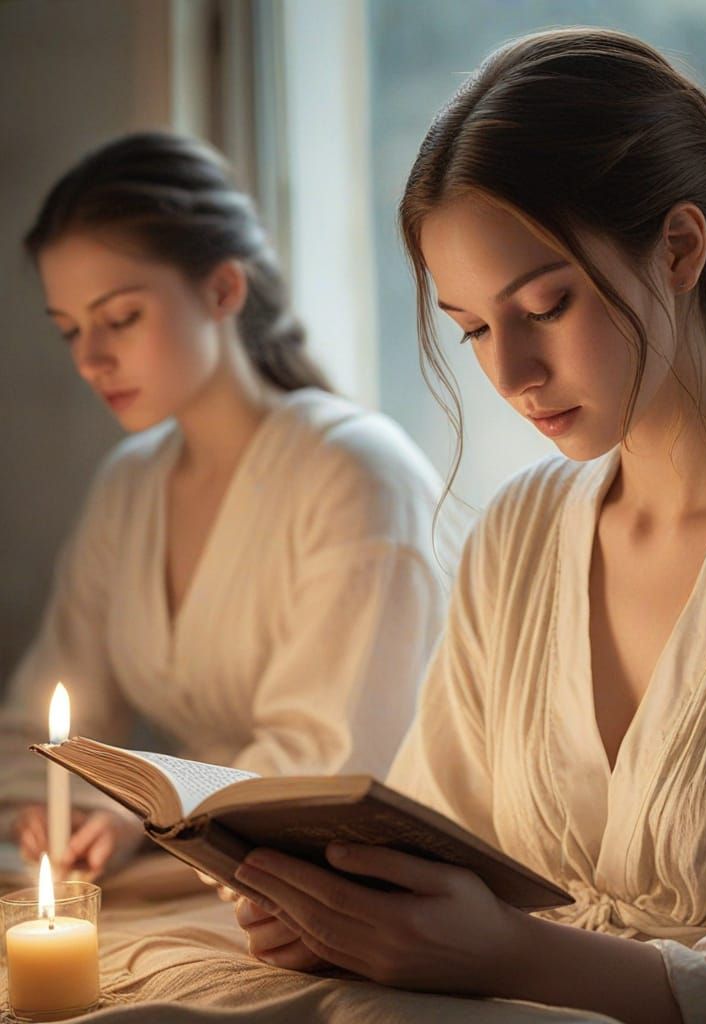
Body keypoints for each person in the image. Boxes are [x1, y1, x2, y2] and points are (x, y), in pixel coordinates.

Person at [233, 29, 706, 1024]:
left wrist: (515, 953)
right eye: (473, 329)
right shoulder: (516, 537)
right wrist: (347, 907)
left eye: (545, 305)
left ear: (679, 248)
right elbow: (440, 839)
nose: (510, 373)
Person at [1, 131, 455, 883]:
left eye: (121, 318)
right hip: (200, 870)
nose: (89, 360)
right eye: (71, 330)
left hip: (351, 882)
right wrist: (60, 810)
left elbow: (330, 763)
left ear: (222, 290)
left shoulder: (356, 474)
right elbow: (44, 726)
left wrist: (141, 809)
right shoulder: (129, 486)